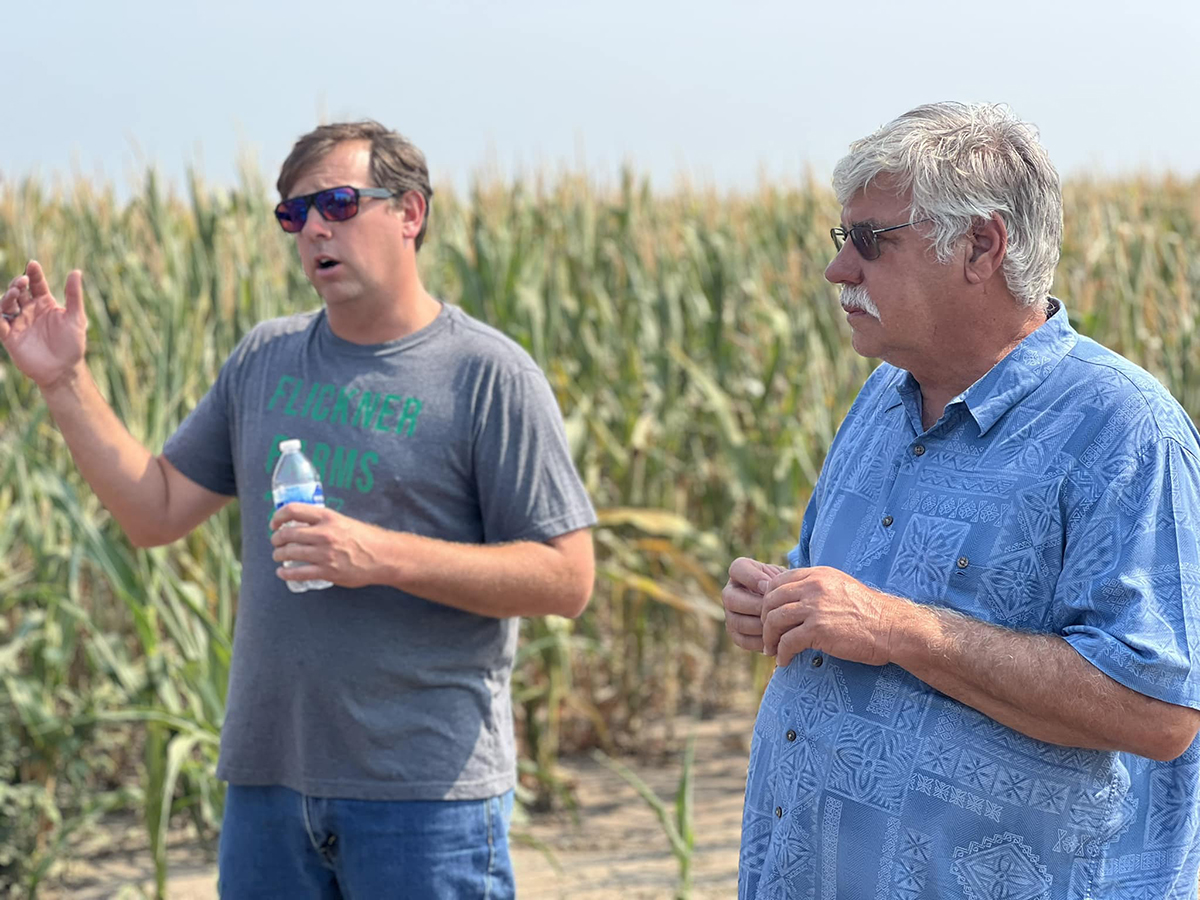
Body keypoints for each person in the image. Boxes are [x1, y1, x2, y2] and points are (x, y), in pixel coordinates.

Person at [0, 120, 597, 899]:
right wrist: (63, 384)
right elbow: (155, 512)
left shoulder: (487, 376)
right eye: (294, 213)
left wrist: (378, 555)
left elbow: (567, 578)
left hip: (425, 798)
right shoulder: (264, 359)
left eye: (340, 204)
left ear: (410, 213)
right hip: (267, 786)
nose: (314, 227)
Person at [722, 102, 1200, 899]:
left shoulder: (1122, 429)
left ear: (981, 245)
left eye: (871, 242)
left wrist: (896, 627)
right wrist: (783, 600)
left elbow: (1158, 711)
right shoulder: (880, 402)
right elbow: (847, 600)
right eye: (843, 240)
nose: (839, 271)